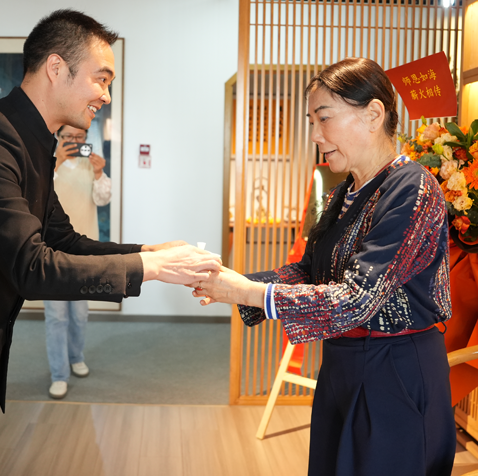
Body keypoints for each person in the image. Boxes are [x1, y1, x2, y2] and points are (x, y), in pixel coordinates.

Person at [0, 9, 221, 476]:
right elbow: (31, 266)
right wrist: (152, 269)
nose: (106, 95)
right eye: (101, 79)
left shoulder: (31, 143)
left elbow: (62, 239)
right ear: (56, 67)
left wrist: (147, 252)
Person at [191, 58, 455, 476]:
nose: (315, 135)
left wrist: (245, 292)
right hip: (342, 365)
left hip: (395, 371)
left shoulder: (413, 188)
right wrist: (233, 281)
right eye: (312, 122)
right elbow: (310, 271)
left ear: (373, 114)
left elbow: (356, 300)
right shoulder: (341, 193)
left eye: (324, 118)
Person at [44, 124, 109, 399]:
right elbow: (37, 196)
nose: (73, 141)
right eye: (68, 136)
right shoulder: (47, 166)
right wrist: (56, 162)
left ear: (86, 139)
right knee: (56, 316)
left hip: (83, 252)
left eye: (79, 137)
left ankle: (76, 357)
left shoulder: (90, 166)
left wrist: (99, 172)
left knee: (80, 314)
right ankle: (59, 374)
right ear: (57, 137)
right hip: (52, 252)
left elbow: (103, 199)